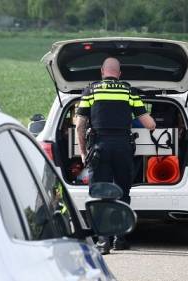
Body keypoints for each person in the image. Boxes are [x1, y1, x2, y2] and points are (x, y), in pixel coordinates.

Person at [75, 57, 156, 254]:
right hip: (122, 147)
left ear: (102, 72)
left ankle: (103, 242)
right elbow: (150, 124)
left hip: (99, 147)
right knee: (122, 193)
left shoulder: (91, 91)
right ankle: (120, 239)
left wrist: (83, 152)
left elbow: (79, 125)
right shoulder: (129, 91)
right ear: (119, 74)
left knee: (100, 194)